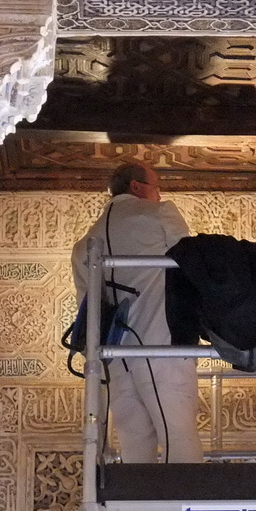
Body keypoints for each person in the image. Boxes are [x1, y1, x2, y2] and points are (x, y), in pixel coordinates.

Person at [71, 162, 203, 463]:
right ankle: (183, 506)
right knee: (178, 433)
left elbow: (89, 311)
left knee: (134, 441)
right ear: (136, 186)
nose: (159, 195)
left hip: (116, 359)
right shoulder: (160, 215)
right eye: (156, 187)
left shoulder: (83, 247)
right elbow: (191, 267)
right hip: (161, 347)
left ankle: (140, 509)